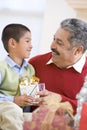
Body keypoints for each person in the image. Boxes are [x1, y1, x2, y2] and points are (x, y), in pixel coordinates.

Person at [29, 18, 87, 115]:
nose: (52, 46)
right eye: (54, 39)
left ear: (77, 50)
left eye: (59, 43)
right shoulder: (35, 64)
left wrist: (59, 100)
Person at [0, 23, 38, 112]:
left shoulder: (30, 69)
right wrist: (13, 100)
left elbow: (31, 96)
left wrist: (35, 99)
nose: (31, 46)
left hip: (22, 114)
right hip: (4, 111)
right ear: (12, 43)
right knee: (12, 110)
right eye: (27, 41)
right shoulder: (2, 68)